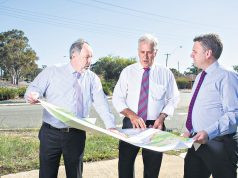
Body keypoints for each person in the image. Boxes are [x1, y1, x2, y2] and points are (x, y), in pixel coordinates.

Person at [25, 39, 116, 178]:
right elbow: (34, 87)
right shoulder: (52, 71)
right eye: (87, 57)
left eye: (91, 57)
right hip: (50, 134)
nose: (90, 61)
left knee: (75, 175)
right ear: (74, 56)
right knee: (46, 174)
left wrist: (110, 125)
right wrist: (33, 95)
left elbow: (101, 103)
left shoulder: (92, 78)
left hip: (76, 135)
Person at [112, 34, 179, 178]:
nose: (145, 56)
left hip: (156, 126)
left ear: (156, 52)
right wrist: (131, 115)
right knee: (125, 166)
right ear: (138, 52)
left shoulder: (165, 73)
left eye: (149, 52)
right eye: (142, 52)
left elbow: (174, 98)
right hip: (131, 124)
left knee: (152, 169)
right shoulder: (127, 72)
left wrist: (162, 117)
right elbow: (117, 98)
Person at [183, 33, 238, 178]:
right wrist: (188, 129)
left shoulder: (227, 76)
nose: (191, 55)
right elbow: (195, 106)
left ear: (208, 53)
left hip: (220, 144)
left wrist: (209, 132)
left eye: (195, 51)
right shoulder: (200, 76)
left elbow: (234, 113)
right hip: (196, 141)